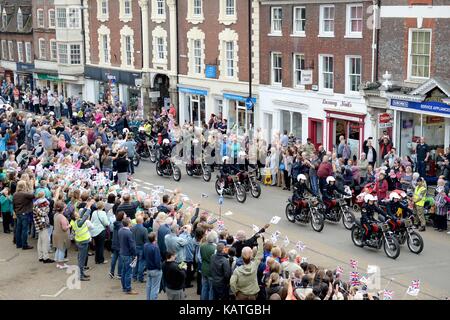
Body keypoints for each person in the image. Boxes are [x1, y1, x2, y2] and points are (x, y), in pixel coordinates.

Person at [70, 201, 95, 281]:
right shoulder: (79, 223)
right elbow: (86, 215)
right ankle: (81, 276)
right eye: (76, 213)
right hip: (82, 242)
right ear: (75, 217)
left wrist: (86, 206)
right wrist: (89, 207)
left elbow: (82, 214)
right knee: (82, 260)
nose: (77, 213)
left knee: (82, 259)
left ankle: (82, 273)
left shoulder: (75, 221)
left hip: (82, 241)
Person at [118, 217, 138, 294]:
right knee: (128, 272)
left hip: (122, 253)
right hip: (127, 254)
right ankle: (128, 289)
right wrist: (135, 254)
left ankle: (124, 287)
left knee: (123, 271)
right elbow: (132, 246)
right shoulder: (129, 233)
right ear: (129, 223)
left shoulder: (120, 230)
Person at [12, 180, 34, 250]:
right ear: (24, 186)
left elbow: (14, 205)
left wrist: (16, 211)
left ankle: (19, 244)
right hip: (24, 213)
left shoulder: (15, 194)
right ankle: (24, 245)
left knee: (19, 229)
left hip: (18, 213)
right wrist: (30, 187)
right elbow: (33, 196)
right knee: (25, 230)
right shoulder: (25, 194)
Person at [33, 191, 53, 263]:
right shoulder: (40, 204)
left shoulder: (35, 203)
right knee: (45, 240)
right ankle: (45, 257)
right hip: (42, 223)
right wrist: (46, 209)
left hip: (38, 223)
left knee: (40, 240)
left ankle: (40, 256)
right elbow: (43, 213)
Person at [144, 232, 162, 300]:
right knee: (155, 288)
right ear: (155, 238)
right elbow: (157, 260)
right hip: (155, 270)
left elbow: (143, 256)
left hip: (148, 269)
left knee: (149, 286)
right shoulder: (155, 247)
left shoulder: (145, 245)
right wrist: (160, 268)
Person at [200, 230, 218, 300]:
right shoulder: (215, 248)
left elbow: (200, 257)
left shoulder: (202, 246)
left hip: (204, 269)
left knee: (204, 287)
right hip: (211, 271)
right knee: (211, 289)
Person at [52, 201, 70, 269]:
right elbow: (64, 228)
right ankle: (61, 264)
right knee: (62, 249)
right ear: (63, 208)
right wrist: (69, 226)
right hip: (61, 235)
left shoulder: (55, 214)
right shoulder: (62, 217)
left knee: (58, 249)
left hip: (56, 233)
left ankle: (58, 263)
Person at [131, 214, 149, 283]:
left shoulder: (132, 228)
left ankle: (134, 276)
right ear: (142, 221)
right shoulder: (144, 229)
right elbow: (146, 240)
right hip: (141, 248)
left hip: (134, 248)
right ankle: (140, 278)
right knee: (141, 263)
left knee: (135, 262)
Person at [109, 211, 125, 279]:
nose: (126, 215)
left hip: (114, 243)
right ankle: (119, 274)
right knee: (120, 259)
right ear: (122, 216)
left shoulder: (115, 223)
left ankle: (111, 272)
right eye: (125, 215)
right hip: (119, 244)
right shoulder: (121, 225)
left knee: (114, 258)